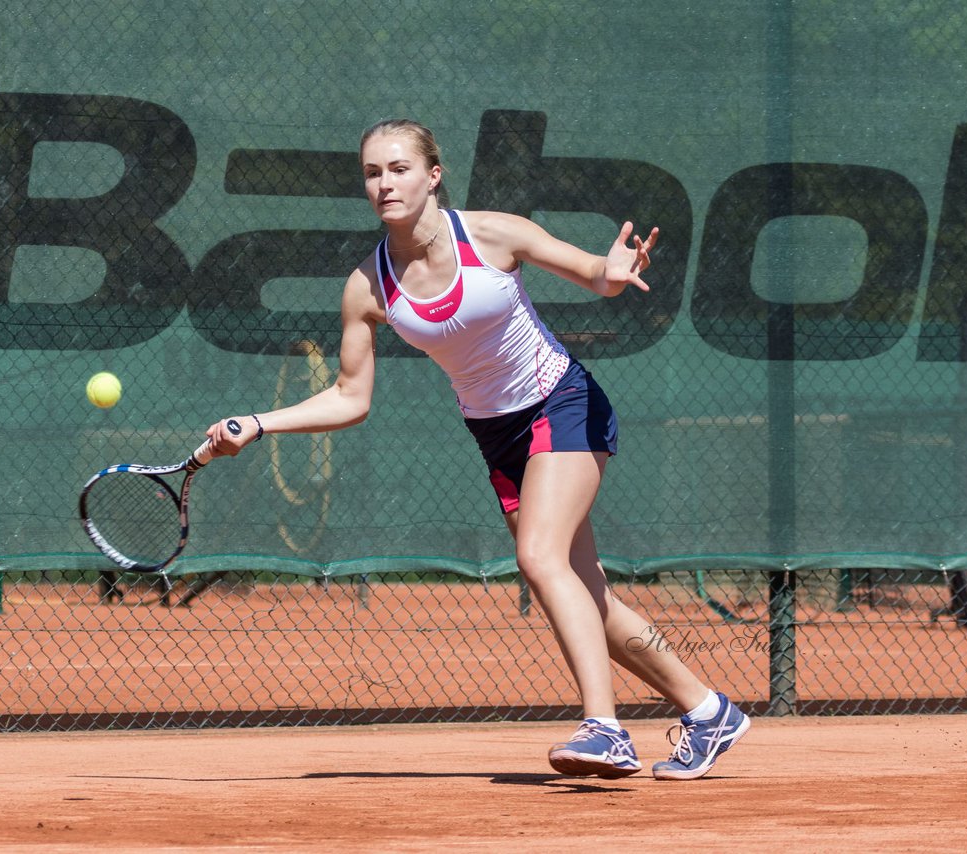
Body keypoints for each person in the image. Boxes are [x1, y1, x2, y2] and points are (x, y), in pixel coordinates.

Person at [204, 118, 750, 780]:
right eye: (373, 173)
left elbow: (592, 274)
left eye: (399, 168)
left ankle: (605, 729)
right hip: (496, 434)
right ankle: (707, 708)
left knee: (541, 557)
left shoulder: (492, 233)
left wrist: (612, 271)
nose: (385, 183)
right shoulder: (367, 287)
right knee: (584, 594)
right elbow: (351, 397)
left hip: (562, 403)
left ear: (433, 174)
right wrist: (260, 422)